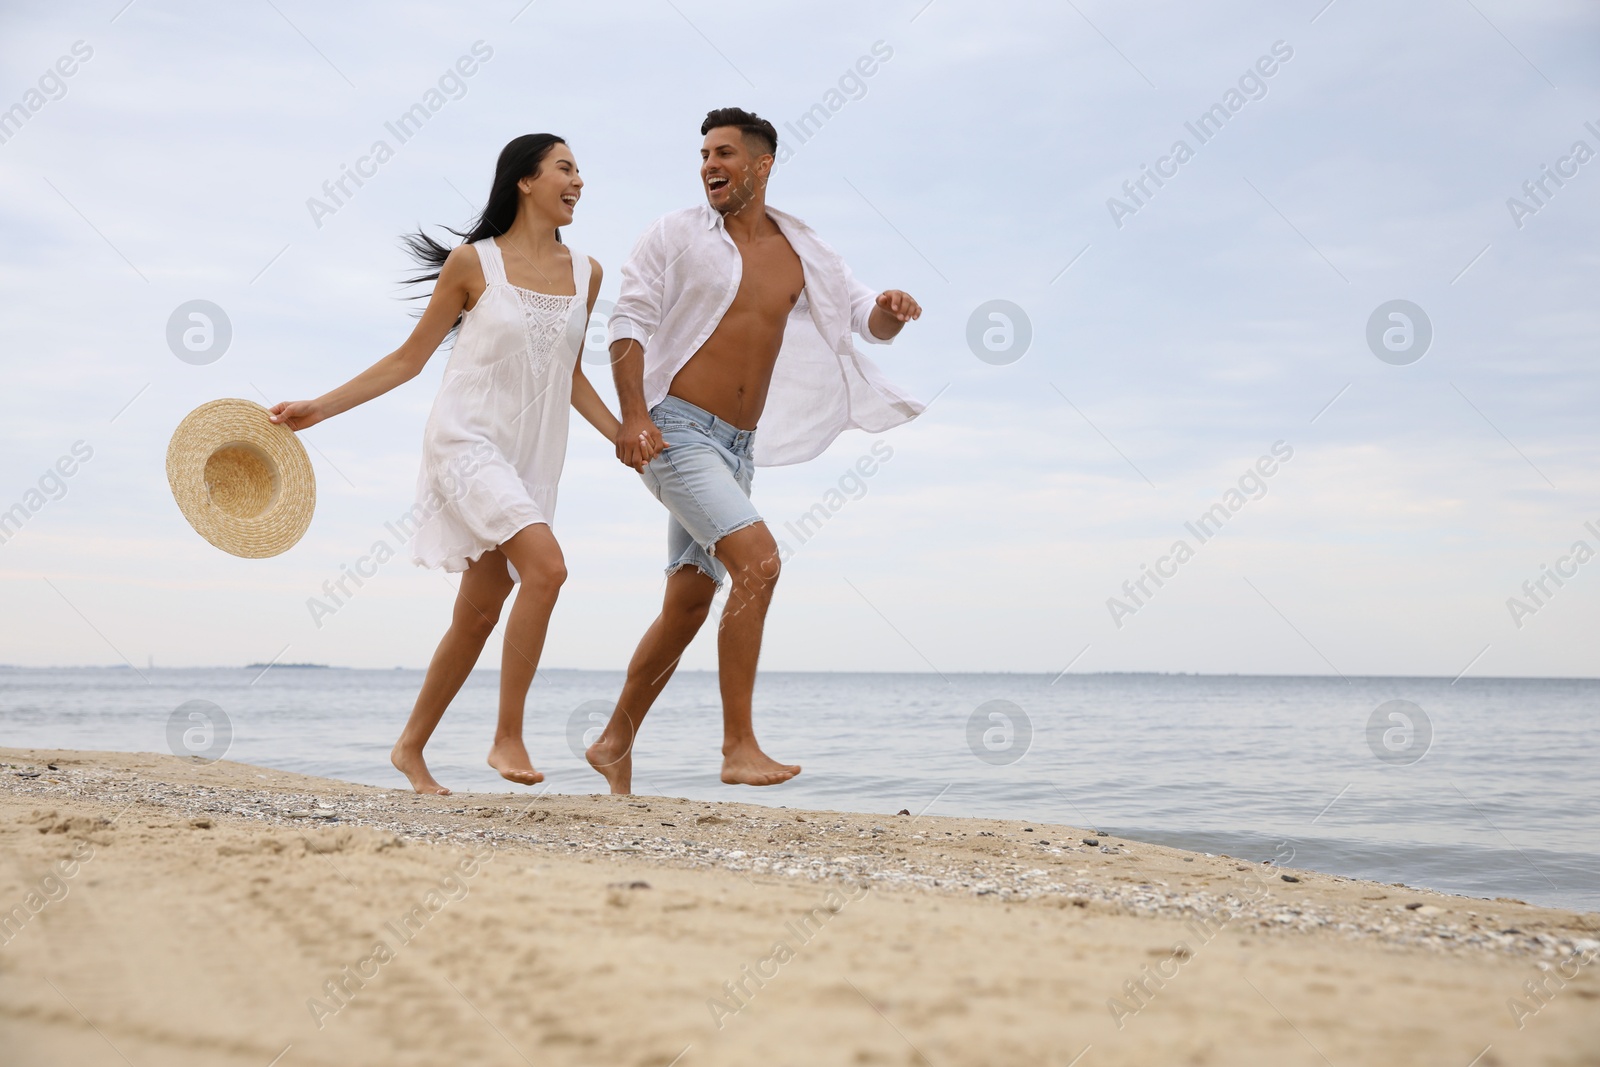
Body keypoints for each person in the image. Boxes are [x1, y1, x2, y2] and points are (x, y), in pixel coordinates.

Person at [269, 134, 628, 795]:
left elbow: (569, 374)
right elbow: (409, 359)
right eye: (566, 168)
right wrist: (320, 407)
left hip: (531, 460)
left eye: (580, 170)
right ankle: (507, 734)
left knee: (480, 614)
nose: (579, 180)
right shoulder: (472, 263)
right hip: (466, 442)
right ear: (525, 181)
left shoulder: (588, 272)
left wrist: (622, 435)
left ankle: (409, 747)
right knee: (546, 568)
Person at [585, 107, 924, 794]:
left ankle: (615, 740)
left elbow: (866, 319)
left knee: (687, 603)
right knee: (761, 563)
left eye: (726, 153)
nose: (710, 164)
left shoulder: (804, 252)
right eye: (705, 153)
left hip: (737, 449)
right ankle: (738, 745)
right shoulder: (676, 233)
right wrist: (632, 416)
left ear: (763, 165)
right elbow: (629, 320)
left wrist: (891, 309)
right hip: (674, 429)